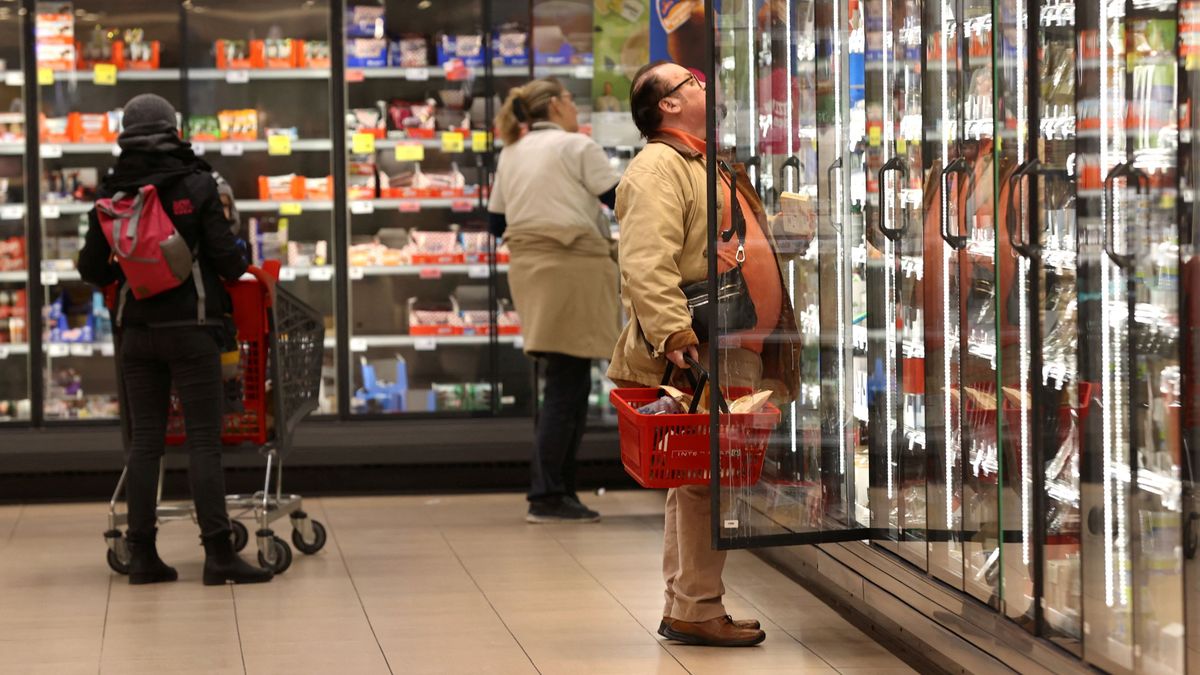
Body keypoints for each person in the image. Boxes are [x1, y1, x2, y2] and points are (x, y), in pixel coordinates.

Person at [609, 61, 800, 647]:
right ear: (665, 105)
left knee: (700, 481)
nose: (702, 85)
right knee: (704, 481)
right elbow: (645, 264)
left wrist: (785, 237)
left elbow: (731, 248)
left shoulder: (704, 162)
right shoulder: (657, 168)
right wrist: (678, 340)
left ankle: (690, 602)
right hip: (701, 349)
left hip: (734, 343)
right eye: (689, 81)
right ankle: (695, 606)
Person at [78, 94, 272, 586]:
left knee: (146, 443)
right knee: (204, 441)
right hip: (193, 330)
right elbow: (229, 263)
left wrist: (132, 268)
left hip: (137, 332)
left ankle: (142, 554)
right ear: (174, 129)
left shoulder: (113, 189)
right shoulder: (197, 183)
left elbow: (88, 268)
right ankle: (218, 554)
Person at [488, 78, 622, 523]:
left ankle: (559, 488)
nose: (574, 108)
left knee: (565, 379)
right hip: (572, 268)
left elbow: (495, 222)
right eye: (570, 100)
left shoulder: (511, 151)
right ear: (557, 105)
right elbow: (620, 200)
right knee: (567, 384)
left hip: (529, 271)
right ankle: (546, 494)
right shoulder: (576, 147)